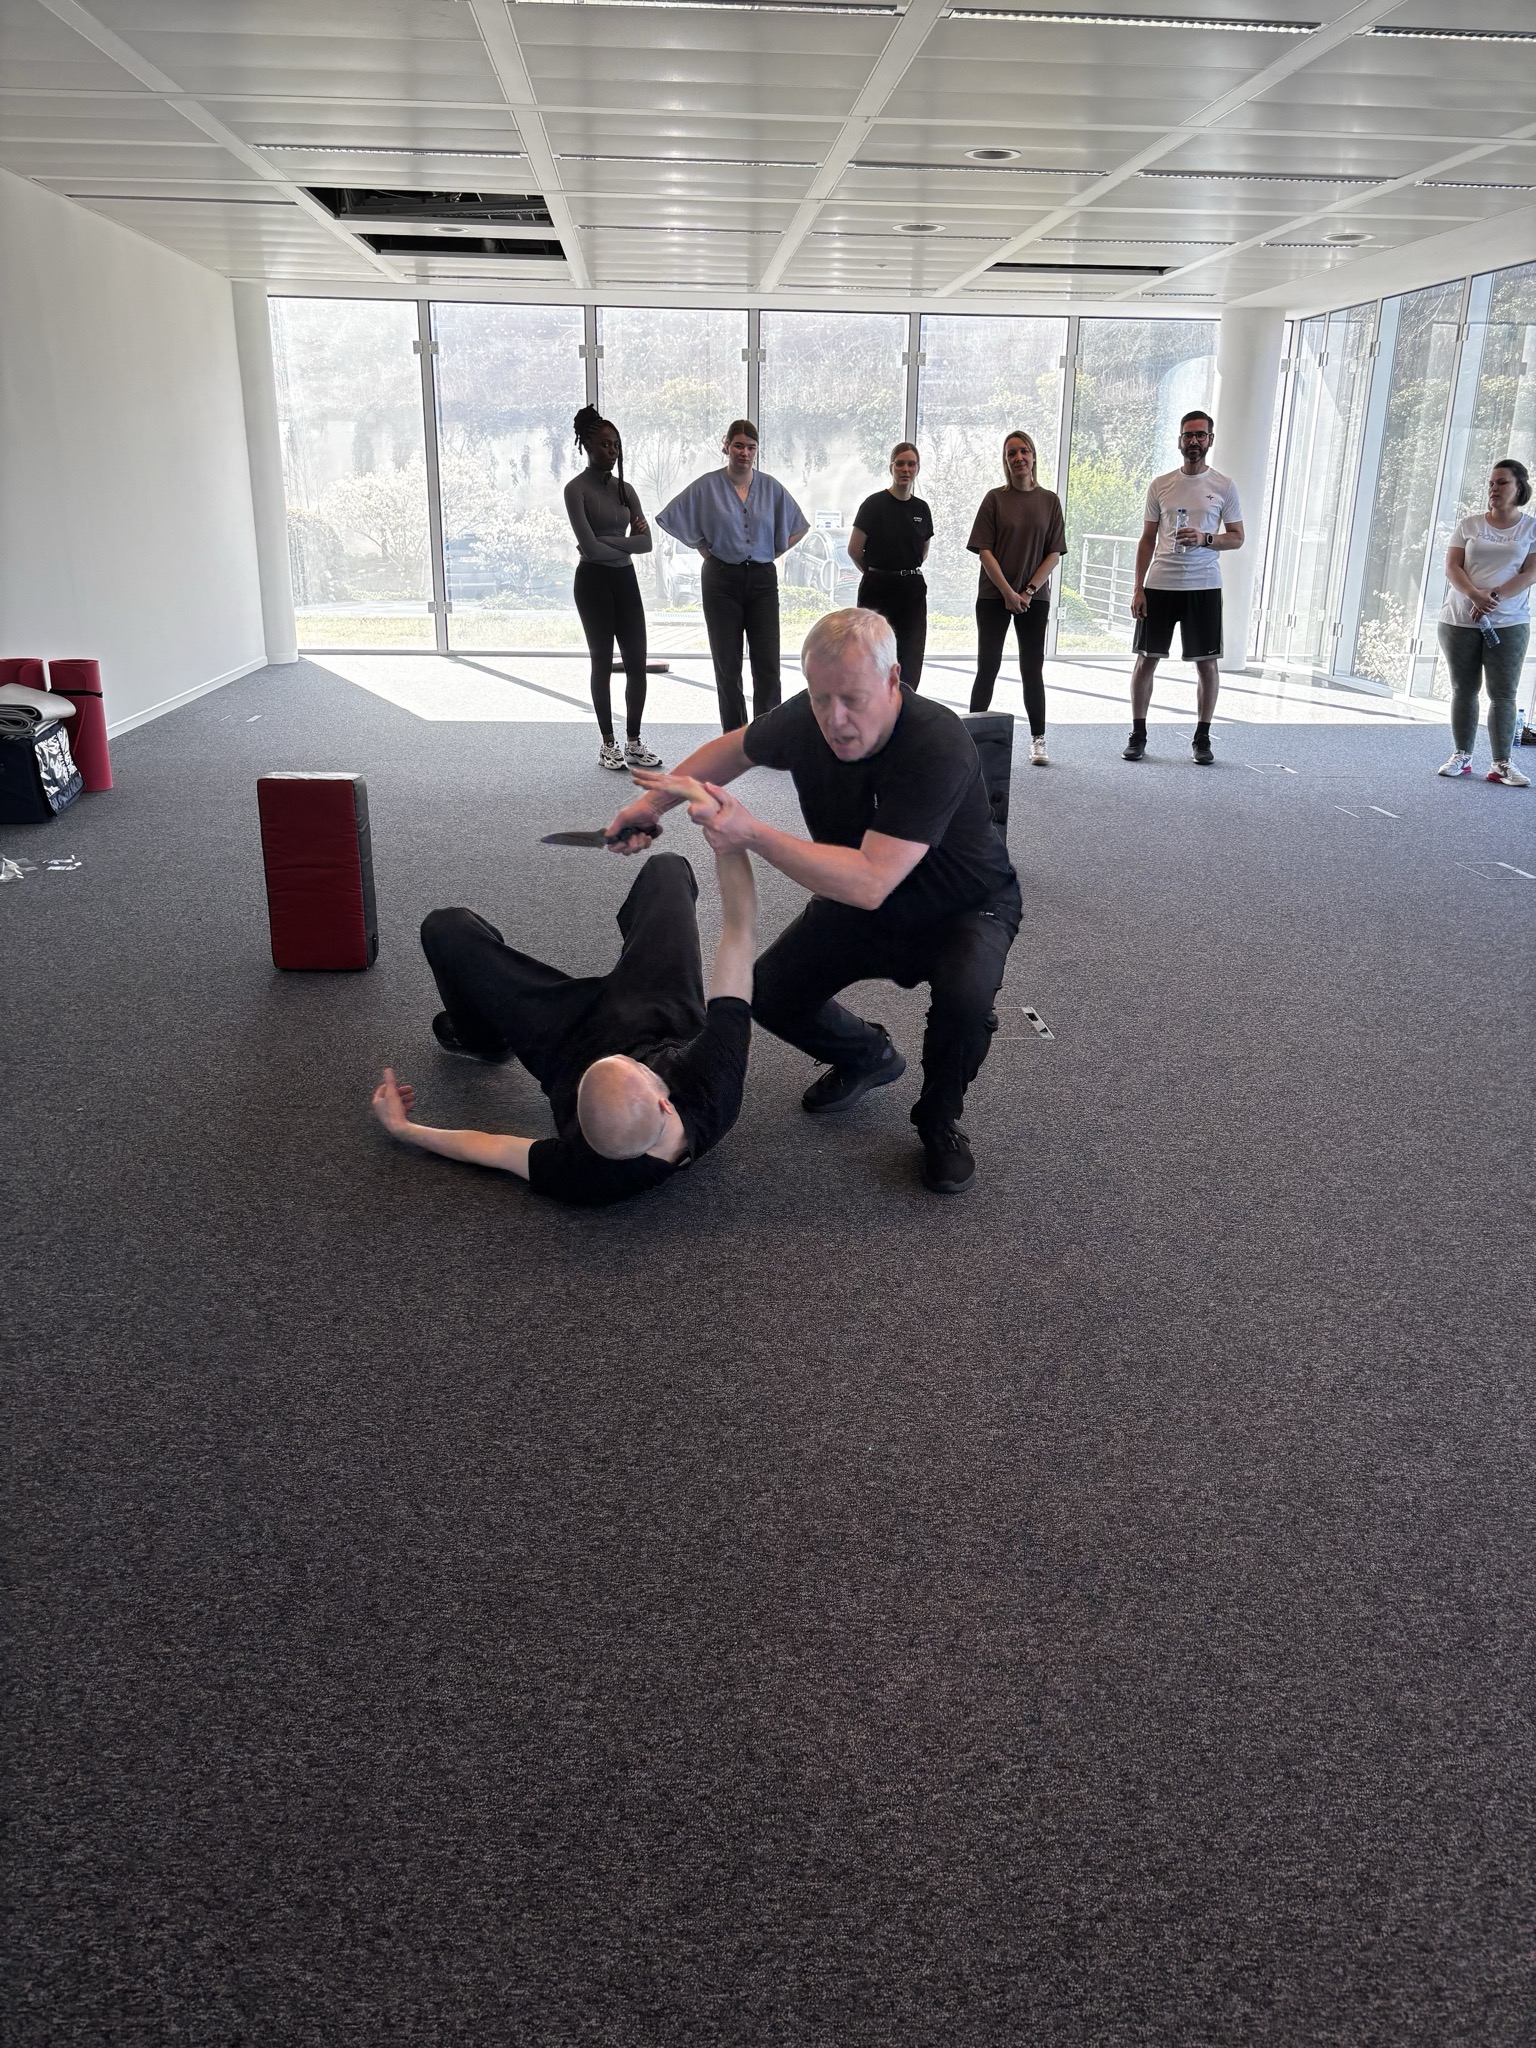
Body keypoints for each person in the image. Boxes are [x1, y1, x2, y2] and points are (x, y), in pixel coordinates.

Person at [606, 608, 1021, 1197]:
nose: (834, 719)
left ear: (893, 679)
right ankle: (868, 1055)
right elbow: (733, 750)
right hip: (861, 898)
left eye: (851, 699)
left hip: (964, 906)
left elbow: (871, 880)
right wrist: (651, 807)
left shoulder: (937, 742)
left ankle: (938, 1122)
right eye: (821, 698)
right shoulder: (810, 715)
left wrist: (752, 833)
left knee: (966, 1001)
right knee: (768, 992)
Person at [370, 819, 755, 1208]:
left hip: (568, 1041)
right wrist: (729, 841)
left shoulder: (587, 1176)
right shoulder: (714, 1079)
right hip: (664, 1011)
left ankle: (483, 1040)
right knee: (669, 867)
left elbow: (493, 1149)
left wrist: (403, 1128)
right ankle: (636, 952)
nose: (626, 1056)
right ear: (665, 1100)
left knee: (444, 929)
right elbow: (739, 938)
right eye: (634, 1066)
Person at [655, 420, 808, 732]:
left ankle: (767, 736)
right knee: (727, 665)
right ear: (726, 446)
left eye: (751, 447)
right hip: (721, 580)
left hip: (762, 581)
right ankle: (735, 737)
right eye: (738, 445)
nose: (744, 453)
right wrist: (705, 548)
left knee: (767, 663)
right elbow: (672, 518)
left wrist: (771, 551)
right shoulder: (707, 486)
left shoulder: (771, 487)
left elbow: (798, 526)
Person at [1124, 410, 1245, 767]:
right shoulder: (1160, 485)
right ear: (1179, 440)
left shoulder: (1224, 486)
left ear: (1210, 440)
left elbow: (1237, 538)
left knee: (1207, 664)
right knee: (1146, 660)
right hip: (1160, 584)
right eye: (1188, 435)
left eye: (1200, 435)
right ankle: (1138, 734)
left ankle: (1202, 738)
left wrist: (1206, 538)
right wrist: (1138, 588)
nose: (1194, 440)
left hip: (1203, 586)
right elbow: (1147, 539)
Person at [563, 406, 663, 773]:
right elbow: (589, 551)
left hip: (625, 580)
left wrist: (608, 541)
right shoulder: (575, 490)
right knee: (602, 662)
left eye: (616, 444)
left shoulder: (626, 490)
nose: (612, 450)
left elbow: (646, 544)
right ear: (587, 446)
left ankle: (633, 742)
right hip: (593, 583)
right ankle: (608, 743)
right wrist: (623, 543)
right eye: (605, 444)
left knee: (637, 662)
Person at [967, 431, 1066, 766]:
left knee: (1032, 669)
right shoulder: (994, 499)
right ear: (1005, 461)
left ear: (1033, 456)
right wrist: (1008, 593)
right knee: (988, 666)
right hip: (994, 595)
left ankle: (1038, 740)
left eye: (1024, 451)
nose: (1018, 458)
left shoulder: (1049, 501)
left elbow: (1054, 553)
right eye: (1011, 453)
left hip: (1034, 598)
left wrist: (1027, 591)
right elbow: (984, 551)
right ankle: (971, 741)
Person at [1436, 457, 1536, 788]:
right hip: (1460, 619)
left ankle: (1501, 764)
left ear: (1519, 487)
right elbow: (1452, 567)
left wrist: (1492, 598)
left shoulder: (1531, 528)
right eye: (1491, 483)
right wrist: (1474, 596)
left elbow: (1530, 573)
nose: (1494, 488)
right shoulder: (1470, 524)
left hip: (1509, 621)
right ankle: (1462, 756)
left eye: (1502, 482)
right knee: (1464, 689)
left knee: (1503, 694)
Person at [849, 443, 934, 690]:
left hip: (911, 591)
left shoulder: (921, 509)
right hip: (877, 589)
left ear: (918, 468)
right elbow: (854, 550)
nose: (905, 469)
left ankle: (905, 705)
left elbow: (923, 551)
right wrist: (875, 573)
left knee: (910, 656)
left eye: (911, 464)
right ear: (891, 468)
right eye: (900, 463)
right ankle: (872, 708)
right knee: (873, 653)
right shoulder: (873, 505)